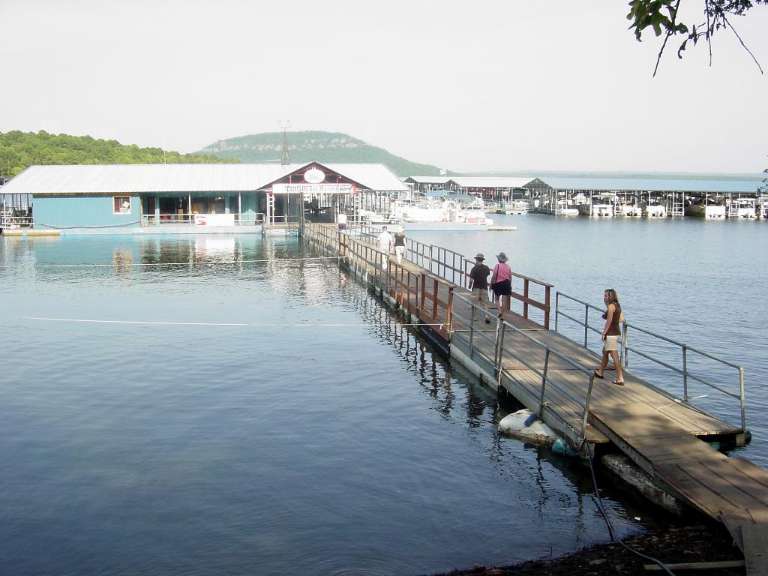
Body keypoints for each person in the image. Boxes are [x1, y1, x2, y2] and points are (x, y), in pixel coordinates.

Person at [594, 288, 625, 385]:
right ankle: (600, 372)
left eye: (606, 296)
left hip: (611, 333)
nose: (604, 297)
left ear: (611, 296)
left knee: (614, 355)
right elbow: (621, 319)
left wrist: (604, 333)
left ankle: (620, 378)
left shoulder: (611, 306)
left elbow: (609, 321)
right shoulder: (616, 305)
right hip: (615, 332)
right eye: (604, 295)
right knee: (605, 352)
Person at [468, 253, 491, 323]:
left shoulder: (474, 269)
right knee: (485, 303)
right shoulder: (486, 268)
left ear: (476, 260)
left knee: (475, 302)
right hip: (484, 287)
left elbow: (471, 279)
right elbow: (487, 275)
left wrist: (469, 285)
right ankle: (487, 315)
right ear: (482, 260)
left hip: (476, 287)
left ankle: (475, 317)